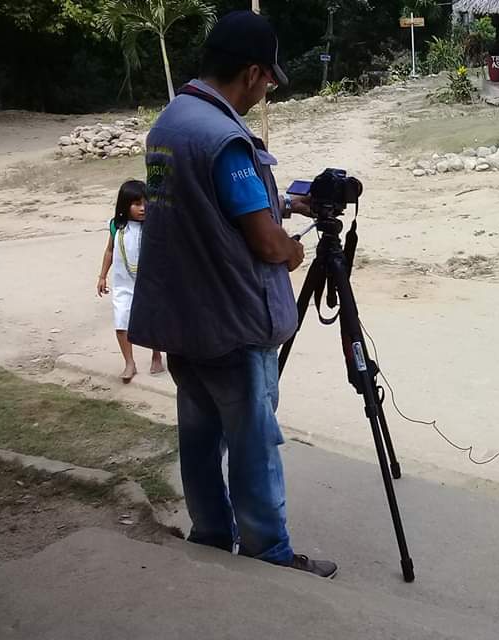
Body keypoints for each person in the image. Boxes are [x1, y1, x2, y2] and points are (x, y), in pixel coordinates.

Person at [127, 11, 336, 578]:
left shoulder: (171, 122)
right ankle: (269, 553)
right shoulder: (225, 136)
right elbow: (267, 246)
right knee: (253, 444)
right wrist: (294, 248)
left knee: (198, 439)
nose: (264, 89)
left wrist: (283, 203)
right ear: (251, 72)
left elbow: (202, 207)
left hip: (183, 320)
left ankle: (212, 536)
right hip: (231, 324)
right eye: (267, 79)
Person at [95, 179, 164, 383]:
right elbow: (109, 251)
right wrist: (102, 276)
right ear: (125, 205)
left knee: (153, 319)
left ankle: (156, 355)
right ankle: (129, 362)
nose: (142, 208)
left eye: (145, 202)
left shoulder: (152, 226)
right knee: (121, 321)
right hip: (124, 283)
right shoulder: (117, 226)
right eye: (136, 204)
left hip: (150, 281)